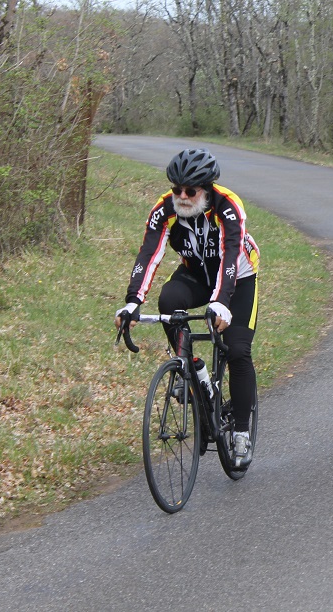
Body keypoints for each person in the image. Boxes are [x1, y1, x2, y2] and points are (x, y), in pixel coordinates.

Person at [114, 148, 261, 466]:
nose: (181, 195)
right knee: (169, 301)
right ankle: (191, 369)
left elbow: (231, 254)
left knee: (237, 350)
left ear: (206, 189)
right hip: (195, 275)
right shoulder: (164, 208)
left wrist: (222, 302)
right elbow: (148, 254)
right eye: (176, 188)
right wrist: (132, 301)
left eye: (189, 190)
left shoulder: (227, 206)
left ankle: (240, 433)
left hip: (238, 277)